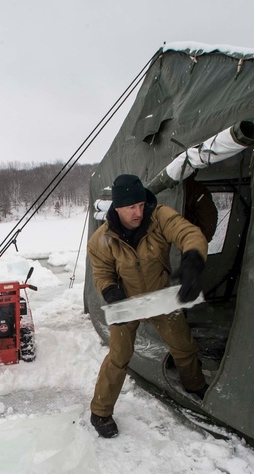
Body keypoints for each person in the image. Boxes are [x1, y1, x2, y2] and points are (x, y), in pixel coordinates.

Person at [87, 174, 209, 438]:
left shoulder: (159, 217)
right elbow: (102, 274)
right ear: (117, 207)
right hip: (127, 302)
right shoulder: (101, 240)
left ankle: (194, 385)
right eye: (131, 207)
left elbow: (188, 233)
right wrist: (111, 294)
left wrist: (193, 259)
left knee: (184, 346)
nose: (138, 212)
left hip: (161, 296)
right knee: (118, 357)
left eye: (141, 205)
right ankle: (100, 411)